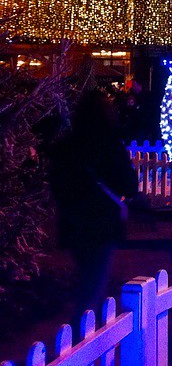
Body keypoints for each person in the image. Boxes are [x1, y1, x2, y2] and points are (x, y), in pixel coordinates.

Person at [47, 89, 138, 333]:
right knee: (93, 285)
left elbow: (56, 184)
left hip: (74, 222)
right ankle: (83, 340)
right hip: (101, 223)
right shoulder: (109, 143)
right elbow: (129, 184)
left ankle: (80, 334)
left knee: (86, 277)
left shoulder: (67, 145)